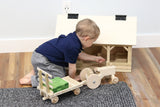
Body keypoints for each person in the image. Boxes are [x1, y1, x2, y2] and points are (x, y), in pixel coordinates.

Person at [19, 18, 105, 87]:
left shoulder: (73, 38)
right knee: (61, 81)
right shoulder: (73, 47)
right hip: (43, 59)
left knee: (61, 71)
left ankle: (36, 69)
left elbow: (79, 54)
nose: (92, 44)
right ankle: (33, 79)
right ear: (86, 38)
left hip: (40, 55)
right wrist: (72, 79)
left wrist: (95, 58)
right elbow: (72, 68)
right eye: (92, 41)